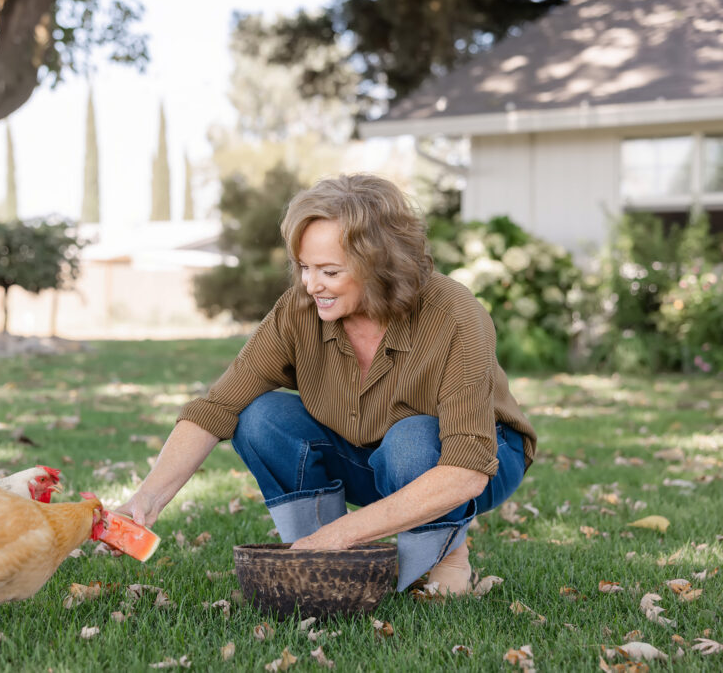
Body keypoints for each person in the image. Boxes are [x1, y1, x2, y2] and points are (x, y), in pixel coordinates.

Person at [118, 174, 536, 596]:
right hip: (368, 456)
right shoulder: (299, 309)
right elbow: (218, 407)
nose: (310, 284)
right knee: (260, 416)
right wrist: (148, 499)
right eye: (304, 266)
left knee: (410, 440)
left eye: (329, 271)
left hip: (479, 459)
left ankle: (444, 557)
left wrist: (343, 532)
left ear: (381, 266)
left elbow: (466, 472)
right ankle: (319, 563)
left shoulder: (453, 313)